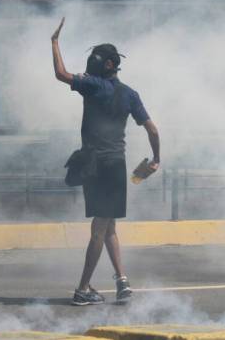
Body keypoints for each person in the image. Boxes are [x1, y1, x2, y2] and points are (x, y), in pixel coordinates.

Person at [51, 18, 160, 306]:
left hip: (94, 165)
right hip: (114, 167)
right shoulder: (129, 94)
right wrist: (157, 159)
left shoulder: (94, 85)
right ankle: (110, 283)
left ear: (108, 64)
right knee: (105, 224)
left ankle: (91, 287)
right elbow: (152, 130)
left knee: (104, 226)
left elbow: (61, 73)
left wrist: (54, 42)